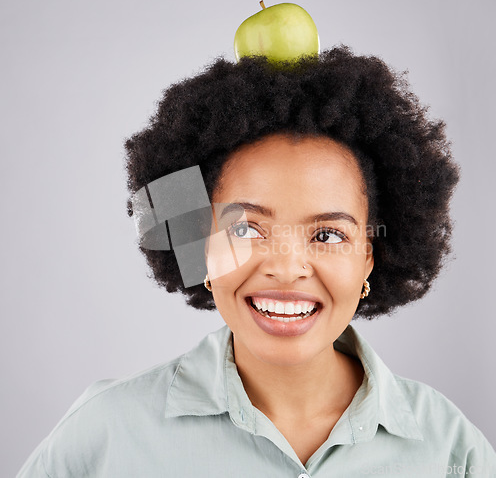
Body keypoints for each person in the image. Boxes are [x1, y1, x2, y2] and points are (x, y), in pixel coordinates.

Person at [17, 47, 496, 477]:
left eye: (328, 234)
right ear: (201, 245)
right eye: (245, 229)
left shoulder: (450, 450)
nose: (287, 269)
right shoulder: (108, 434)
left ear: (368, 259)